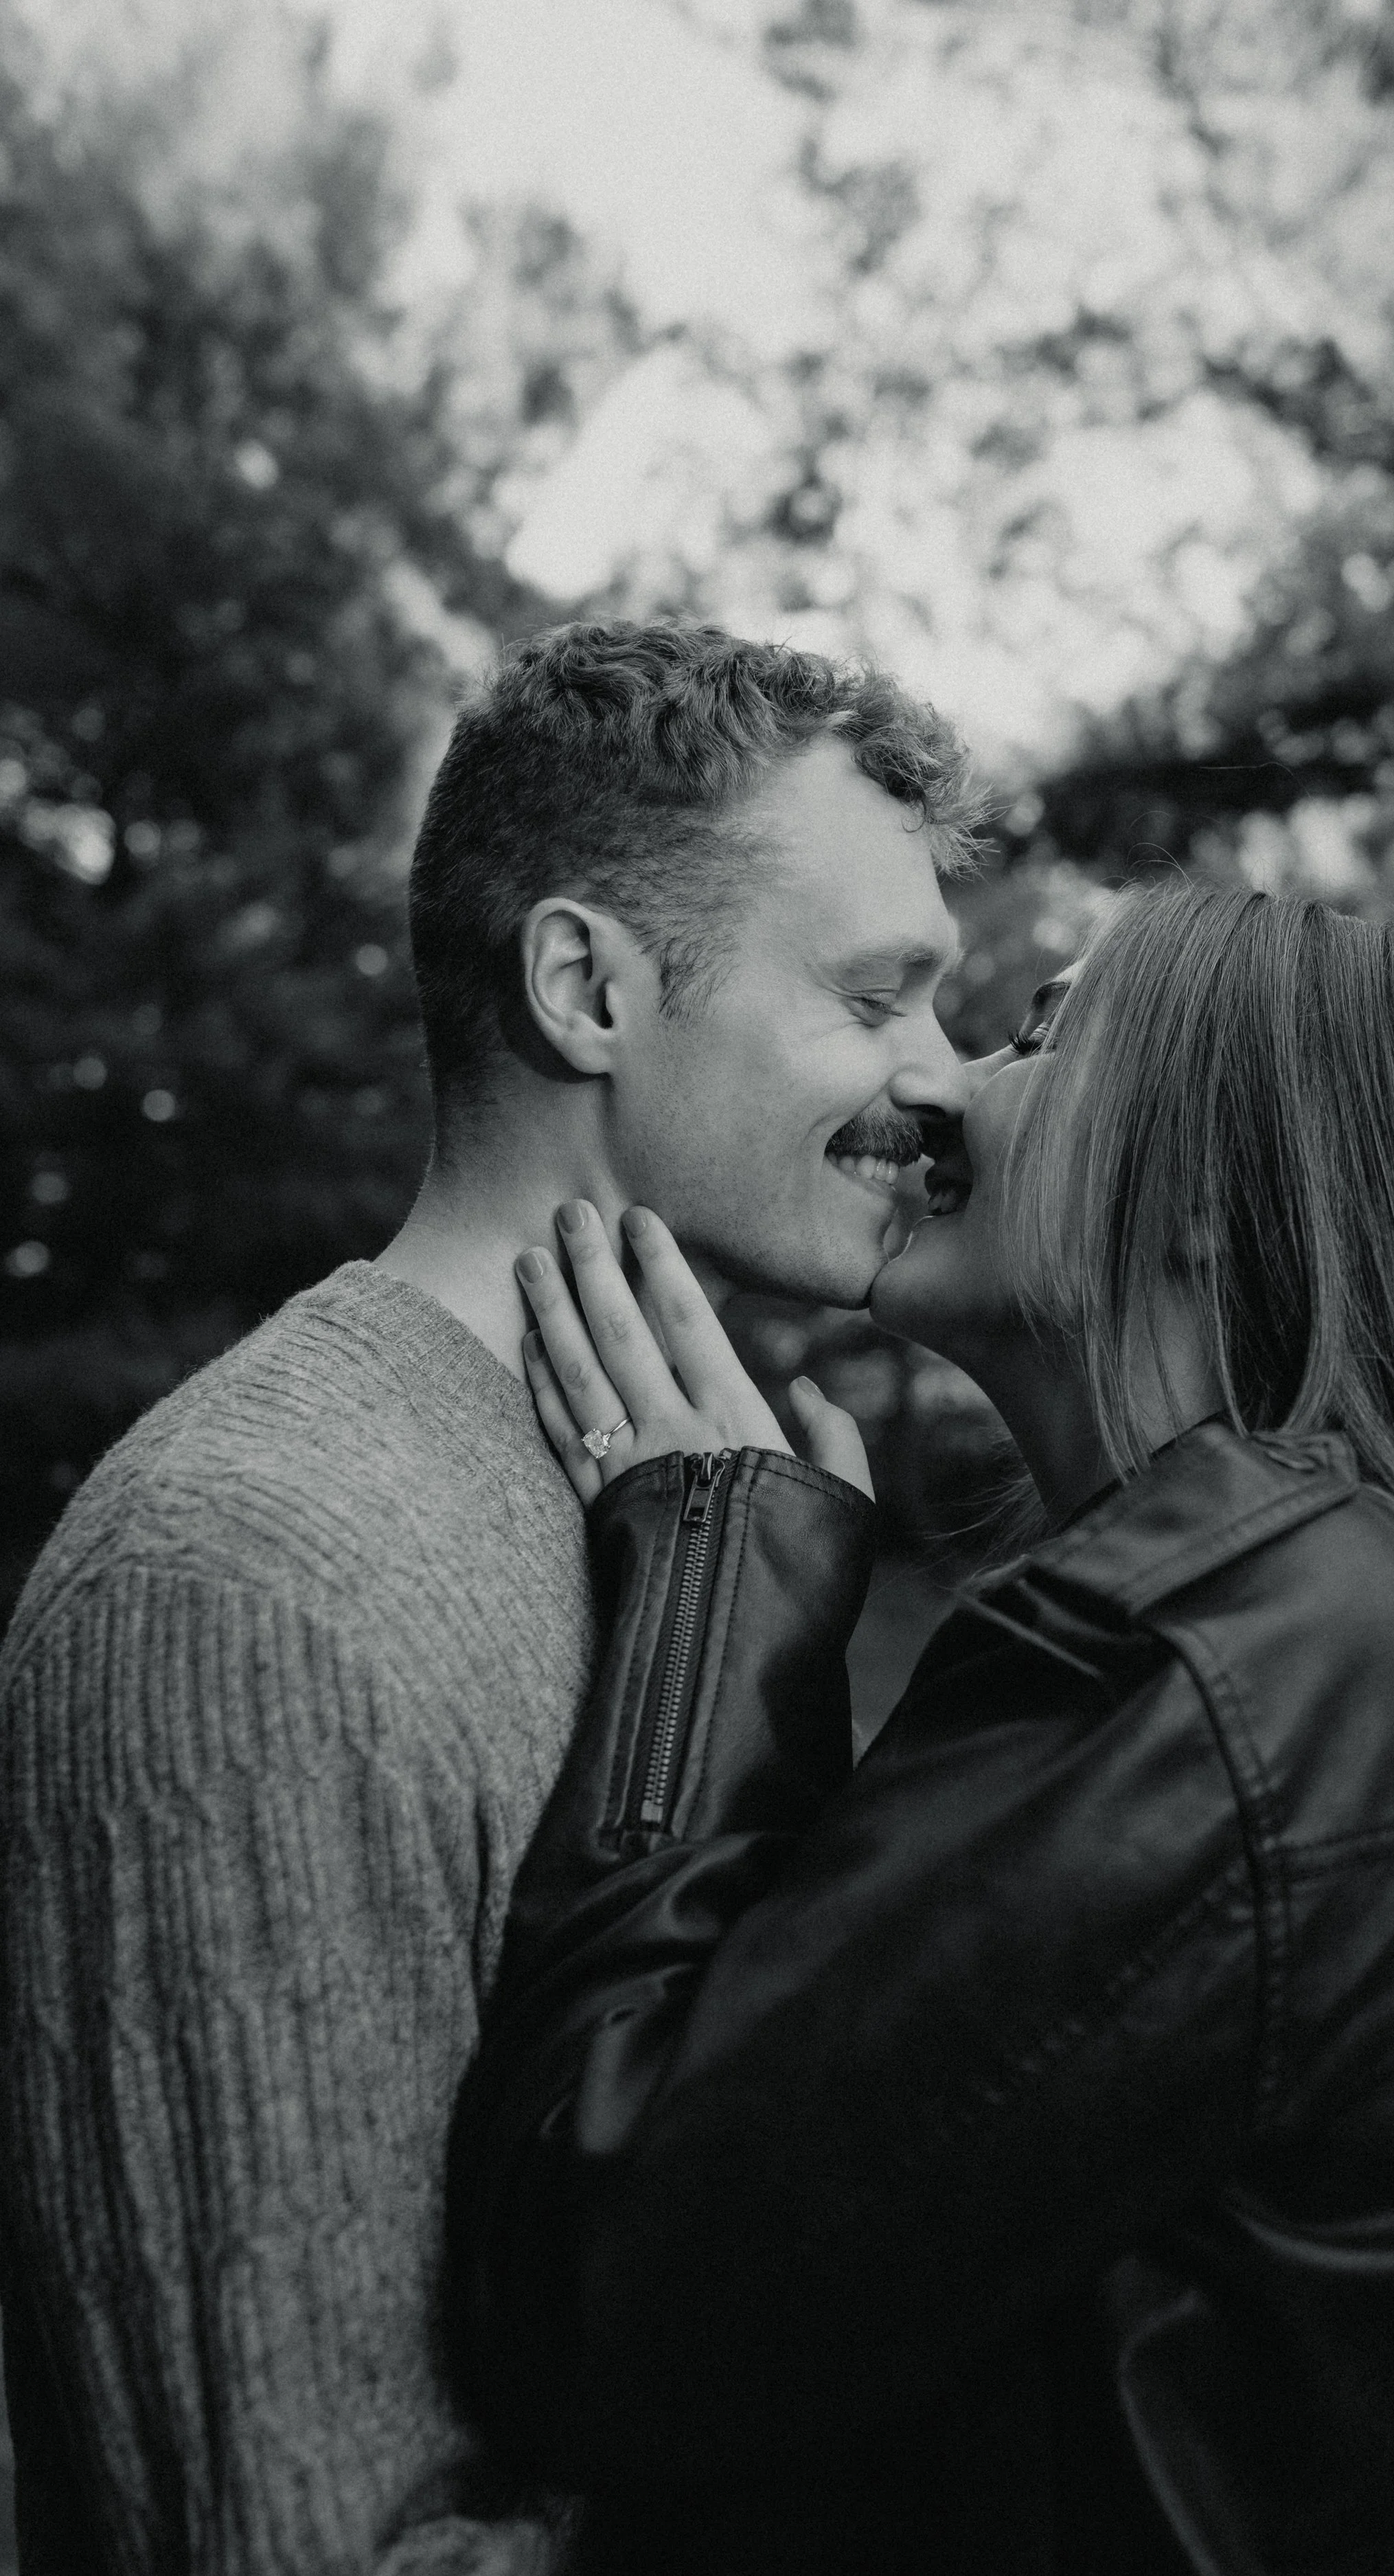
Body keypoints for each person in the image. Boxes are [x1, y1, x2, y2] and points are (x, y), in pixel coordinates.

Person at [447, 879, 1394, 2576]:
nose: (938, 1082)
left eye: (1042, 1037)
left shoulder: (1233, 1653)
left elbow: (603, 2293)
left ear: (1195, 1194)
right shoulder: (1327, 1620)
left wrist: (714, 1589)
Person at [0, 622, 979, 2573]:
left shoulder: (695, 1505)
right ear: (585, 986)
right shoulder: (243, 1574)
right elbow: (305, 2536)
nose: (942, 1081)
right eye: (875, 997)